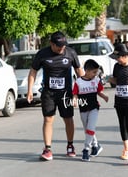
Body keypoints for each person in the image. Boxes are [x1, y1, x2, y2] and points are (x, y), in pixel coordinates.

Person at [27, 31, 84, 161]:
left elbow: (79, 71)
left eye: (63, 45)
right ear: (51, 44)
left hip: (66, 93)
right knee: (48, 119)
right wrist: (30, 90)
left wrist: (83, 89)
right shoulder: (42, 54)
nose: (62, 48)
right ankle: (47, 149)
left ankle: (70, 145)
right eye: (59, 46)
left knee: (68, 119)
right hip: (49, 93)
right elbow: (33, 71)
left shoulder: (70, 53)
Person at [72, 59, 109, 161]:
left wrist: (104, 96)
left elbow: (99, 92)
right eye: (93, 72)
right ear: (87, 71)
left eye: (96, 72)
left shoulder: (96, 80)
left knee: (90, 128)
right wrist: (74, 101)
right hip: (83, 109)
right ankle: (96, 145)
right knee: (88, 130)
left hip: (94, 108)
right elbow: (75, 93)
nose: (95, 74)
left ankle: (86, 149)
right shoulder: (78, 82)